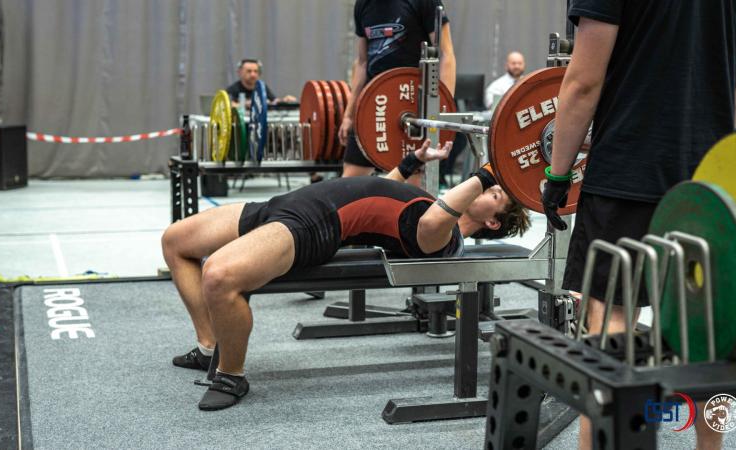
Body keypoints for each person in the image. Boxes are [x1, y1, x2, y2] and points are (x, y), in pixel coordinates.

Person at [162, 140, 530, 411]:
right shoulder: (432, 206)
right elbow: (380, 191)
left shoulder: (444, 239)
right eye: (491, 186)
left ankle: (231, 375)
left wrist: (489, 171)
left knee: (220, 276)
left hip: (312, 224)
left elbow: (432, 220)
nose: (486, 188)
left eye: (494, 194)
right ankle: (209, 345)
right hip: (287, 204)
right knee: (176, 241)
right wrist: (412, 161)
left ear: (492, 222)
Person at [540, 1, 736, 449]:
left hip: (626, 173)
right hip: (704, 184)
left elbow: (583, 83)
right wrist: (712, 160)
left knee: (610, 327)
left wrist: (558, 175)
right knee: (705, 335)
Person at [338, 0, 457, 178]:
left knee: (411, 183)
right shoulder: (363, 4)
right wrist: (348, 115)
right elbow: (362, 63)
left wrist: (442, 108)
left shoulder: (424, 2)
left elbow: (446, 54)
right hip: (374, 104)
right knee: (350, 181)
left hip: (412, 103)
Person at [226, 59, 296, 109]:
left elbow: (273, 101)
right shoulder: (232, 89)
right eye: (249, 71)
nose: (253, 75)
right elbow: (226, 106)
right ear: (240, 73)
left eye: (255, 71)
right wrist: (243, 105)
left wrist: (284, 101)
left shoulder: (262, 87)